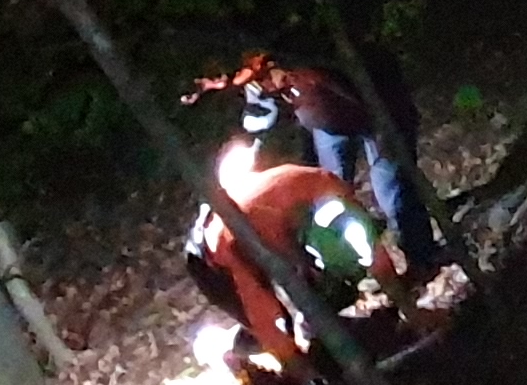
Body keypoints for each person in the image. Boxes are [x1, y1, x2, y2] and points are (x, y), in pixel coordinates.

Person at [180, 93, 388, 385]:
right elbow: (267, 321)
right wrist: (308, 380)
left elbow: (373, 251)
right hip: (211, 257)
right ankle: (220, 346)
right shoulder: (239, 243)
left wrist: (413, 311)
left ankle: (318, 334)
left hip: (272, 224)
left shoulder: (325, 186)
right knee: (279, 326)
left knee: (330, 293)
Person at [186, 47, 443, 289]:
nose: (222, 84)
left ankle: (422, 258)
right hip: (328, 124)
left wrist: (387, 128)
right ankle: (351, 269)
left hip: (375, 114)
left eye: (215, 79)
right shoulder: (255, 82)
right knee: (328, 198)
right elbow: (260, 118)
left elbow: (355, 86)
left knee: (390, 188)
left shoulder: (297, 59)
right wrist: (244, 153)